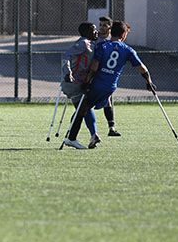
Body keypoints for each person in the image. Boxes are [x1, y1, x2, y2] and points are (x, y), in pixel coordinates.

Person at [63, 21, 154, 150]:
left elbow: (94, 67)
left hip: (98, 84)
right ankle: (95, 132)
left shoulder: (103, 46)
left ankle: (71, 138)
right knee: (86, 108)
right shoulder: (128, 50)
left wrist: (87, 82)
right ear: (123, 34)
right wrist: (149, 82)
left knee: (82, 108)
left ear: (111, 32)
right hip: (110, 87)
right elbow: (142, 69)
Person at [60, 22, 100, 147]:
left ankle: (81, 136)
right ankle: (72, 138)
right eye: (94, 30)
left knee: (83, 109)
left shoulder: (91, 43)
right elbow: (66, 56)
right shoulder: (83, 43)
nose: (96, 32)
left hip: (81, 82)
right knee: (83, 109)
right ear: (87, 31)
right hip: (74, 83)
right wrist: (68, 72)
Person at [96, 16, 120, 137]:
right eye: (100, 25)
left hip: (106, 74)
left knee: (108, 100)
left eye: (105, 25)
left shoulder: (113, 40)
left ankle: (111, 127)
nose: (101, 27)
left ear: (110, 27)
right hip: (94, 72)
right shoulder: (95, 38)